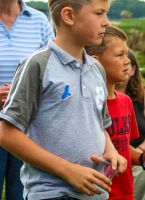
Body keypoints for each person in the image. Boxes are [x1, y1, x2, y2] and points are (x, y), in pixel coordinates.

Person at [0, 0, 127, 200]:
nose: (107, 22)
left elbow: (99, 125)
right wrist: (67, 170)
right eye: (99, 13)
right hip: (51, 194)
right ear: (68, 16)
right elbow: (6, 134)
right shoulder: (37, 64)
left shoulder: (97, 69)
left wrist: (110, 151)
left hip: (93, 193)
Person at [85, 25, 145, 200]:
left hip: (126, 192)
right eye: (119, 55)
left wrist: (143, 159)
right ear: (96, 61)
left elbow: (123, 147)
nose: (128, 61)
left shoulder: (125, 102)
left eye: (127, 54)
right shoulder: (85, 104)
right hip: (97, 193)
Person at [0, 0, 54, 199]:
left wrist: (21, 97)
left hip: (27, 128)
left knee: (22, 194)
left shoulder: (39, 21)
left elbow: (53, 70)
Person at [115, 48, 145, 200]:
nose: (125, 68)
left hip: (139, 150)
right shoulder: (101, 95)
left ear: (134, 70)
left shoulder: (143, 94)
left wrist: (140, 151)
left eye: (128, 65)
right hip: (114, 154)